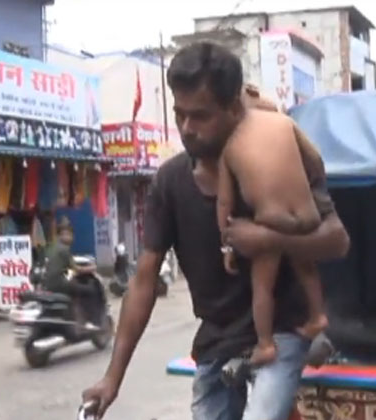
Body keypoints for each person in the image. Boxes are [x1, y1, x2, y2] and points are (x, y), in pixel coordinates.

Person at [81, 41, 350, 420]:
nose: (187, 129)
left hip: (283, 333)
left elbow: (337, 240)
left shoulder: (280, 160)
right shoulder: (169, 182)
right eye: (180, 115)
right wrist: (112, 378)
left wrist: (269, 239)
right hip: (217, 342)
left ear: (234, 109)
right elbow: (143, 281)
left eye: (201, 116)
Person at [218, 83, 329, 366]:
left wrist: (227, 244)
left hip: (272, 220)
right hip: (307, 214)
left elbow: (224, 204)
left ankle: (265, 344)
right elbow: (315, 160)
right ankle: (318, 315)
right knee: (305, 265)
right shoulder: (284, 122)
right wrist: (311, 184)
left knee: (262, 287)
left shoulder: (230, 146)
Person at [43, 217, 99, 329]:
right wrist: (92, 268)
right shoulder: (64, 249)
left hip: (47, 283)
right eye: (65, 234)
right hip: (59, 283)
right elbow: (76, 269)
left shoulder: (52, 248)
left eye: (69, 234)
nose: (67, 237)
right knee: (89, 290)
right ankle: (89, 320)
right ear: (59, 236)